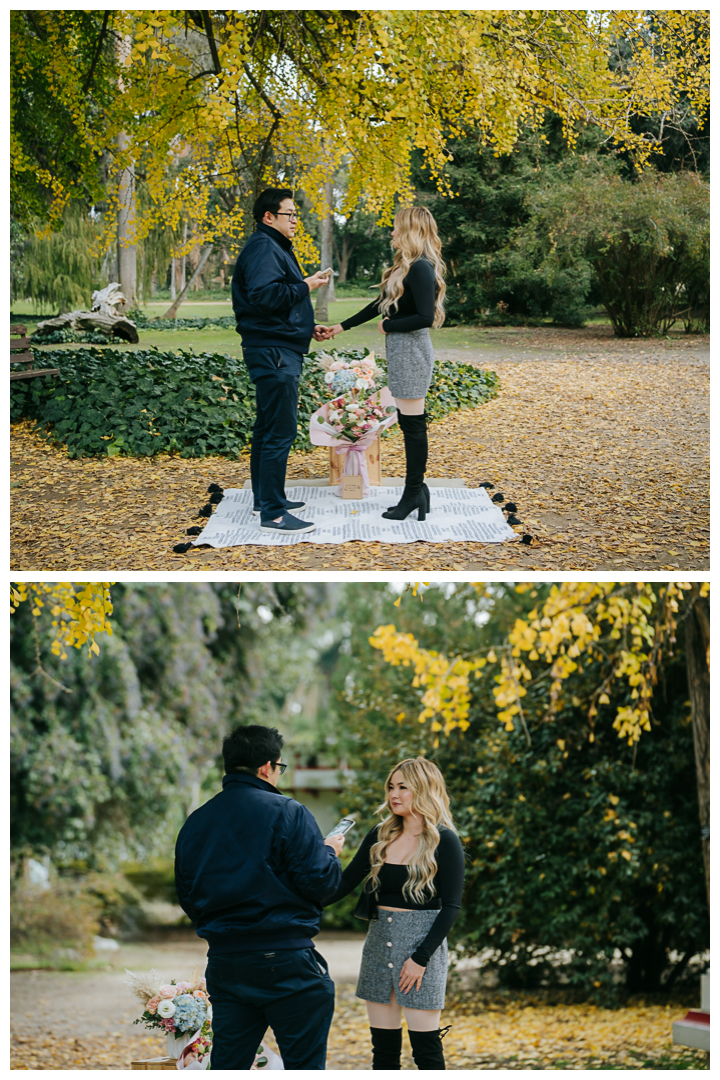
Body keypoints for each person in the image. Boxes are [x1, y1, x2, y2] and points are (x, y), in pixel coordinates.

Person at [174, 724, 345, 1070]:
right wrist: (328, 852)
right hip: (285, 960)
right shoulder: (288, 812)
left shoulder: (197, 821)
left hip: (226, 961)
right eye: (280, 767)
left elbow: (188, 894)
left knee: (227, 1065)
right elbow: (321, 884)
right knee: (305, 1066)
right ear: (267, 766)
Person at [324, 757, 464, 1071]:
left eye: (403, 787)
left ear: (424, 789)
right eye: (391, 787)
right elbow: (343, 883)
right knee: (383, 1055)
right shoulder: (380, 835)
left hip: (421, 954)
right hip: (377, 948)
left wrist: (420, 959)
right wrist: (314, 879)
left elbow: (451, 907)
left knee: (426, 1053)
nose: (393, 794)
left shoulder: (445, 841)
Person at [318, 207, 447, 522]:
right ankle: (417, 491)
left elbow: (425, 318)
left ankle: (413, 492)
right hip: (403, 352)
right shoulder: (405, 268)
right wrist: (341, 327)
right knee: (408, 424)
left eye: (395, 228)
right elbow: (380, 304)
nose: (391, 233)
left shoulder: (421, 268)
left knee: (414, 427)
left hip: (413, 353)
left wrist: (388, 327)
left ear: (410, 230)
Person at [232, 188, 331, 534]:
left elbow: (276, 302)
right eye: (289, 214)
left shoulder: (271, 246)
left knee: (266, 427)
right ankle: (273, 514)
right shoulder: (264, 247)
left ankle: (265, 499)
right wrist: (306, 285)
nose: (295, 221)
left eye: (295, 215)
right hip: (273, 352)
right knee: (280, 430)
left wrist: (305, 326)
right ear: (268, 217)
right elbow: (265, 296)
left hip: (276, 345)